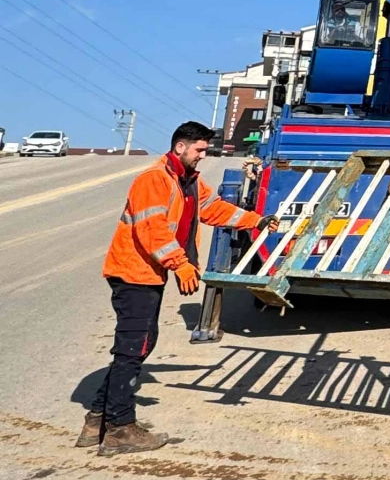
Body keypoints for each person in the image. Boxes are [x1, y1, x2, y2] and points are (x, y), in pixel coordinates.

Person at [80, 121, 278, 455]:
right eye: (199, 149)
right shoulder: (153, 180)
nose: (203, 156)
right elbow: (152, 230)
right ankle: (119, 429)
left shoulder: (188, 181)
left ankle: (97, 419)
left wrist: (255, 220)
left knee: (141, 343)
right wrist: (180, 263)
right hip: (132, 274)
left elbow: (214, 210)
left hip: (148, 274)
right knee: (134, 347)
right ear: (180, 147)